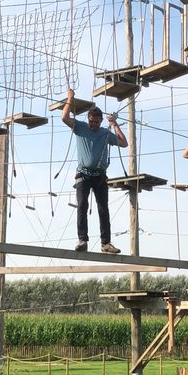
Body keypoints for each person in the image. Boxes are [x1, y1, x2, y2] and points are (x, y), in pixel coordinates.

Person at [61, 88, 128, 253]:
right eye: (91, 121)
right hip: (83, 174)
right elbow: (64, 117)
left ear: (100, 121)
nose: (93, 124)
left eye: (96, 122)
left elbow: (124, 143)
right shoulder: (80, 127)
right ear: (88, 119)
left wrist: (114, 124)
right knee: (82, 205)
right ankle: (82, 240)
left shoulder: (105, 133)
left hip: (99, 176)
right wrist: (70, 98)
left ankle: (106, 243)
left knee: (103, 208)